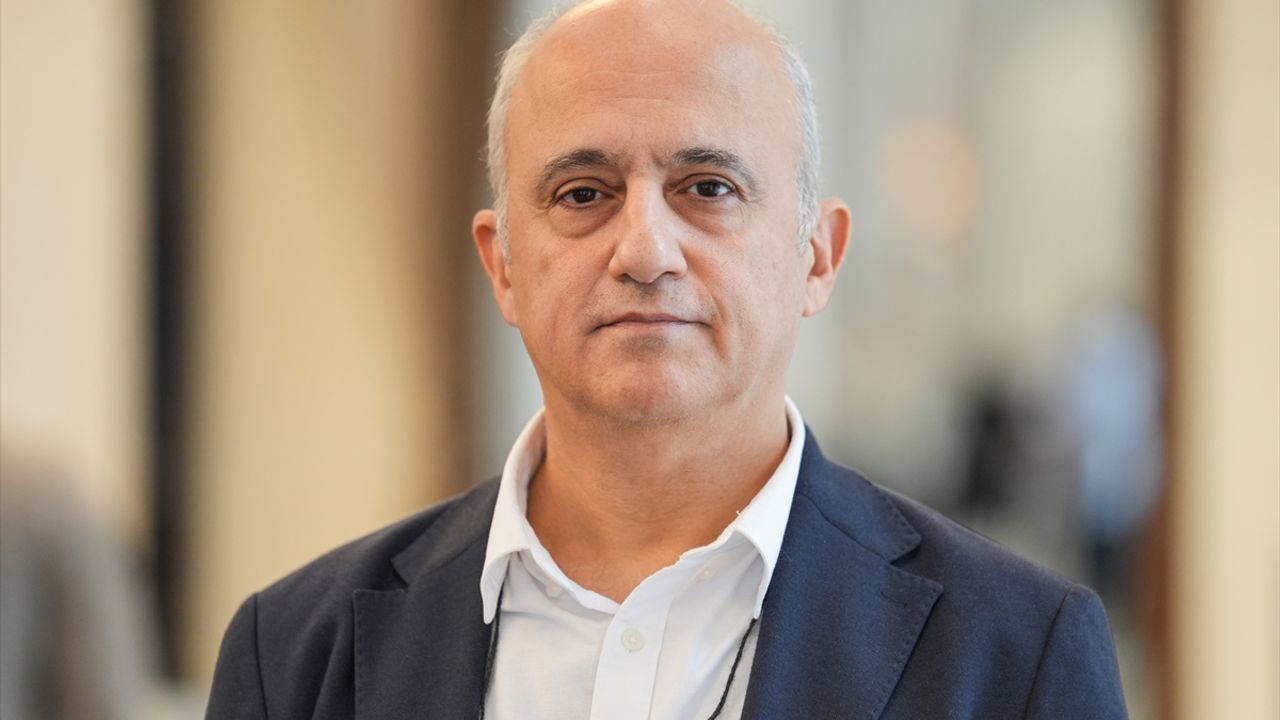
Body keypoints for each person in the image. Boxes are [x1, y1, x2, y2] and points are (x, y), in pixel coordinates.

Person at [205, 1, 1129, 717]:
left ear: (817, 257)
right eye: (583, 192)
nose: (644, 250)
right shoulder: (293, 655)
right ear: (503, 265)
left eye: (708, 187)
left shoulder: (1015, 654)